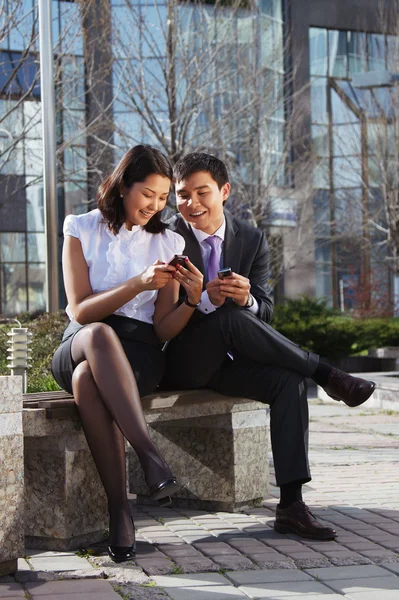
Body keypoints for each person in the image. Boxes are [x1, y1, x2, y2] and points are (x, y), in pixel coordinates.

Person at [161, 152, 376, 541]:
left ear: (224, 191)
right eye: (182, 194)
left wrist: (247, 300)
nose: (191, 203)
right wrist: (207, 301)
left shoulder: (252, 238)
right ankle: (326, 374)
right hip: (181, 362)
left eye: (201, 192)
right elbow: (163, 322)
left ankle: (291, 504)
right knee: (225, 318)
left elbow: (267, 312)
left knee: (288, 381)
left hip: (231, 365)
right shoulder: (166, 239)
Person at [51, 145, 203, 562]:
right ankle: (151, 458)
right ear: (122, 187)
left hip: (137, 355)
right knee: (98, 337)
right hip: (81, 340)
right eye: (146, 195)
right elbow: (80, 308)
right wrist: (137, 283)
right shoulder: (80, 228)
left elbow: (162, 328)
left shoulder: (169, 241)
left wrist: (189, 301)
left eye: (162, 198)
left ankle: (120, 511)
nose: (155, 206)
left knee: (88, 382)